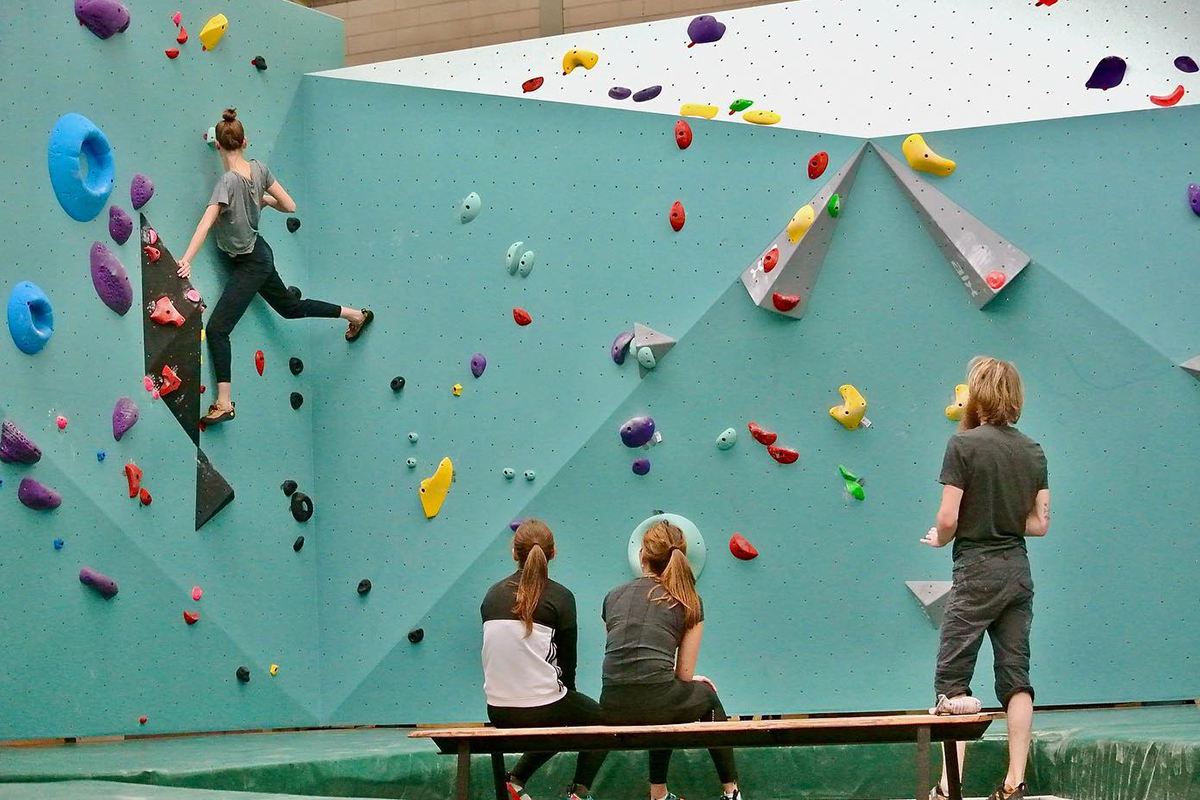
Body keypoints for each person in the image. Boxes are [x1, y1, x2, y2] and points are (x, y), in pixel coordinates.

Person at [176, 108, 373, 425]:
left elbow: (207, 221)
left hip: (251, 263)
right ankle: (354, 314)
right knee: (290, 307)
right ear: (245, 141)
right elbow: (290, 205)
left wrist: (186, 259)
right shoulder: (259, 169)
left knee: (217, 329)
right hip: (259, 254)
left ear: (218, 146)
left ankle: (224, 402)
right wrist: (264, 200)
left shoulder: (226, 182)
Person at [921, 357, 1051, 800]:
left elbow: (947, 517)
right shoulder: (1033, 450)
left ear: (977, 394)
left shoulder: (963, 446)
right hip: (1017, 570)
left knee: (952, 680)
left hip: (976, 570)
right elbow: (1039, 524)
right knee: (1017, 678)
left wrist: (939, 538)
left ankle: (946, 787)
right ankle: (1015, 781)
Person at [600, 520, 743, 800]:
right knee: (704, 697)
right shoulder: (689, 600)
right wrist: (696, 683)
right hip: (657, 701)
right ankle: (731, 792)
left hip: (612, 704)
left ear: (642, 555)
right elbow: (685, 675)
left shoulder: (612, 596)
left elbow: (624, 658)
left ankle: (659, 794)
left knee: (662, 695)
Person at [481, 520, 608, 800]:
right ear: (553, 553)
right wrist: (569, 698)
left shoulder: (492, 594)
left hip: (498, 710)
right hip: (540, 708)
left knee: (559, 708)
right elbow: (567, 662)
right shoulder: (561, 597)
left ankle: (514, 783)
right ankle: (578, 794)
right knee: (603, 722)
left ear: (515, 553)